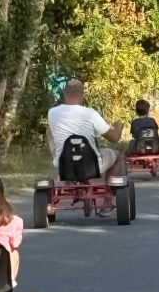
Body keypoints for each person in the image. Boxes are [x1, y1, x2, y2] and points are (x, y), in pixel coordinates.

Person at [47, 78, 126, 216]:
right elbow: (114, 138)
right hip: (91, 165)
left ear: (64, 94)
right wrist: (119, 125)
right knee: (118, 156)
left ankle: (67, 181)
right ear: (82, 95)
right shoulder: (90, 114)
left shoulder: (52, 113)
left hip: (64, 164)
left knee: (49, 131)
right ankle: (107, 201)